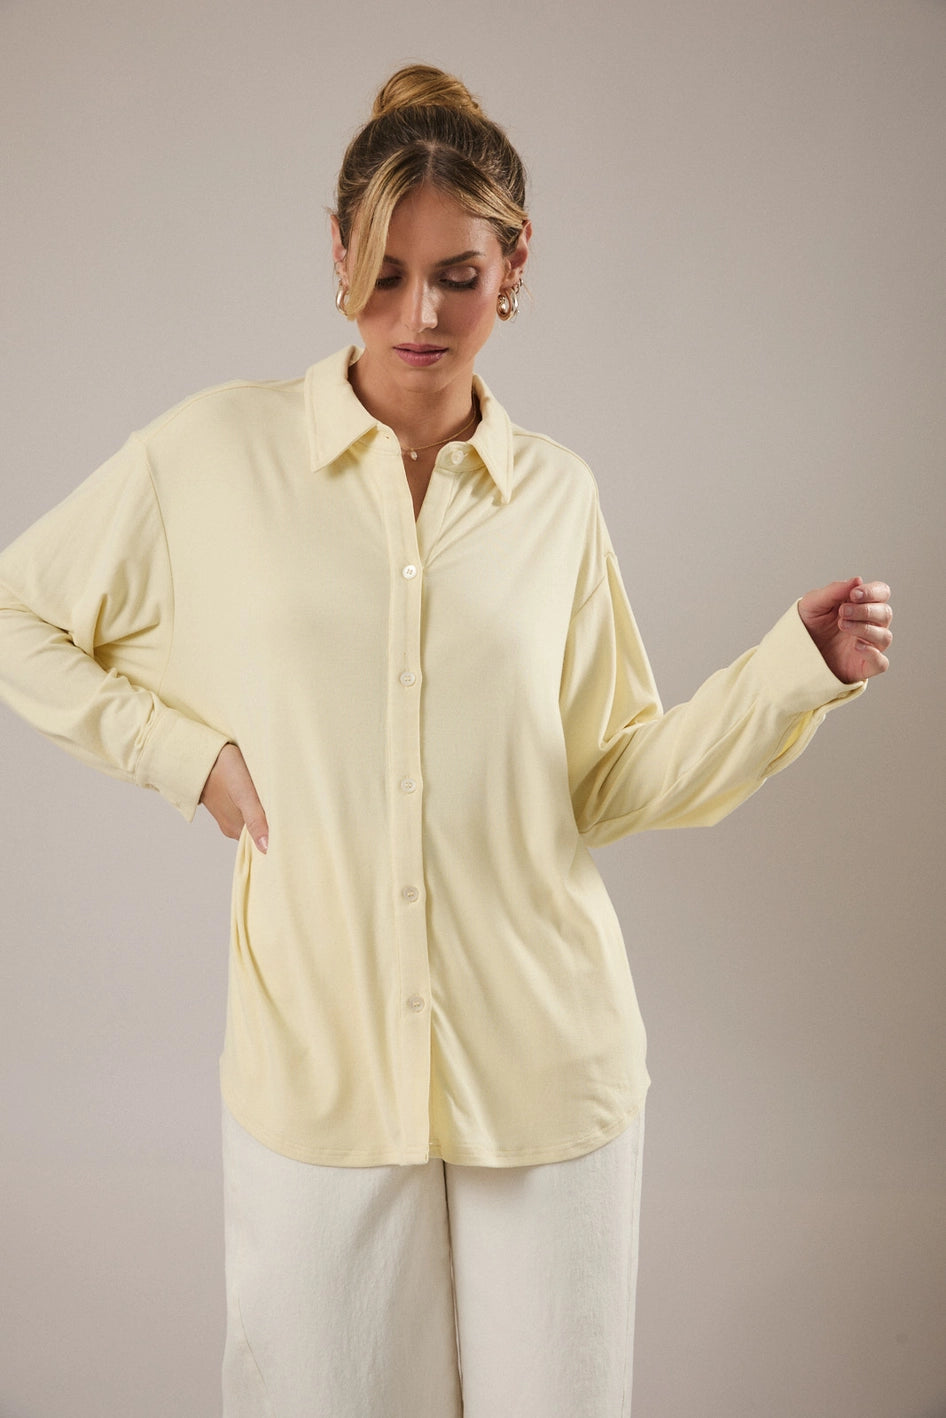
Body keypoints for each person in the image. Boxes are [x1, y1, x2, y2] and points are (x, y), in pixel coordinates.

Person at [0, 63, 893, 1418]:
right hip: (319, 1072)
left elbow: (605, 781)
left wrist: (791, 672)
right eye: (385, 273)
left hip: (548, 1069)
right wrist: (187, 757)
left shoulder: (557, 500)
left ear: (514, 267)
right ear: (336, 253)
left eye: (457, 277)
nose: (419, 314)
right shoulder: (215, 454)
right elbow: (21, 614)